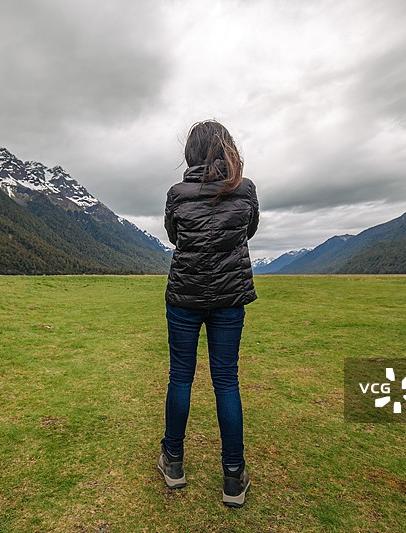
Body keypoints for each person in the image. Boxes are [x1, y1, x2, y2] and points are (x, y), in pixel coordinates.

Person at [158, 120, 259, 508]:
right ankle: (233, 476)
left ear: (191, 152)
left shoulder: (177, 194)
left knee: (180, 377)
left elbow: (174, 236)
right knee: (226, 382)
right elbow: (248, 231)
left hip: (184, 296)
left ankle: (174, 462)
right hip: (229, 298)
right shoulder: (245, 189)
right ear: (227, 149)